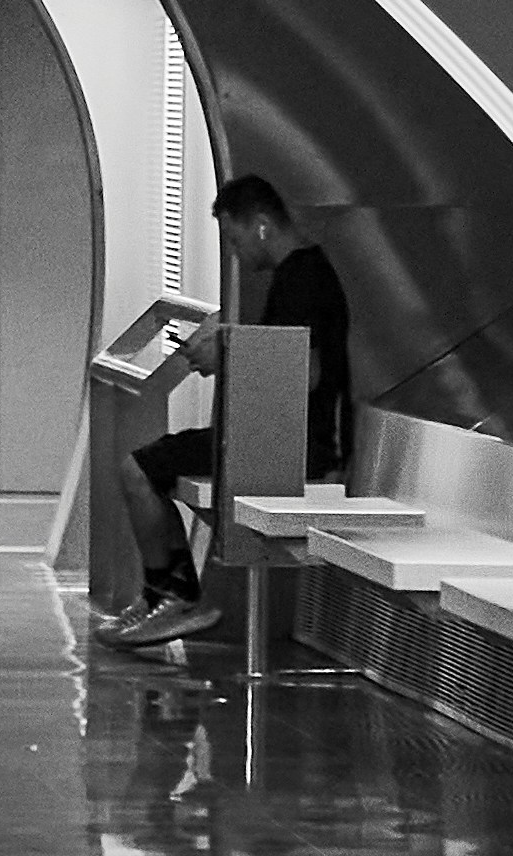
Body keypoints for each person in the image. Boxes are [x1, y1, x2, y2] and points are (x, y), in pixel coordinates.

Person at [101, 172, 352, 652]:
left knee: (136, 469)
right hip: (279, 440)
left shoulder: (302, 279)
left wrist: (227, 356)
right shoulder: (300, 274)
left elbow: (305, 372)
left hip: (299, 447)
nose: (236, 254)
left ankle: (172, 595)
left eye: (235, 240)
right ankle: (164, 594)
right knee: (149, 467)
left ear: (260, 225)